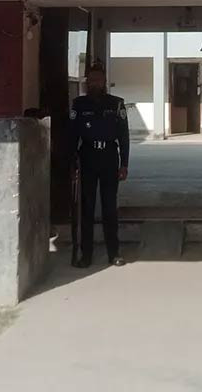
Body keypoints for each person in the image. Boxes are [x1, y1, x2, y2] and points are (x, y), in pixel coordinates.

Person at [69, 62, 130, 267]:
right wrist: (72, 164)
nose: (95, 83)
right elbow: (72, 137)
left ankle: (114, 253)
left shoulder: (116, 104)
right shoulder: (79, 104)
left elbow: (124, 136)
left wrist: (124, 164)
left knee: (109, 208)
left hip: (109, 158)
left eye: (98, 80)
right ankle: (86, 255)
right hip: (87, 158)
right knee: (86, 208)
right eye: (91, 80)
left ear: (104, 82)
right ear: (87, 82)